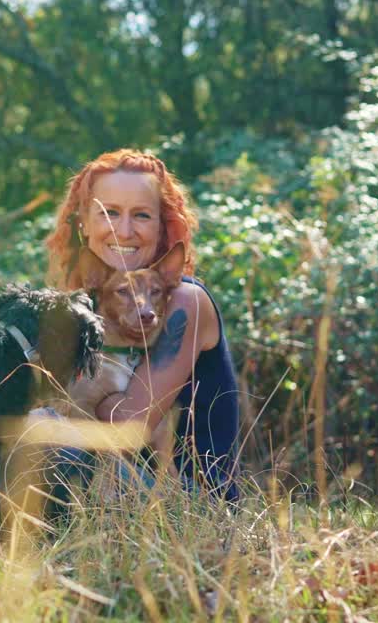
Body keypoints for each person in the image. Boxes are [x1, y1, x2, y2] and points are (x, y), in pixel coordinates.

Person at [43, 149, 240, 500]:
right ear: (82, 222)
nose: (125, 230)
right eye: (110, 213)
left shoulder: (183, 300)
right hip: (112, 491)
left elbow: (128, 428)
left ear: (163, 225)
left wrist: (82, 399)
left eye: (143, 215)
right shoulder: (85, 306)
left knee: (35, 435)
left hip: (186, 504)